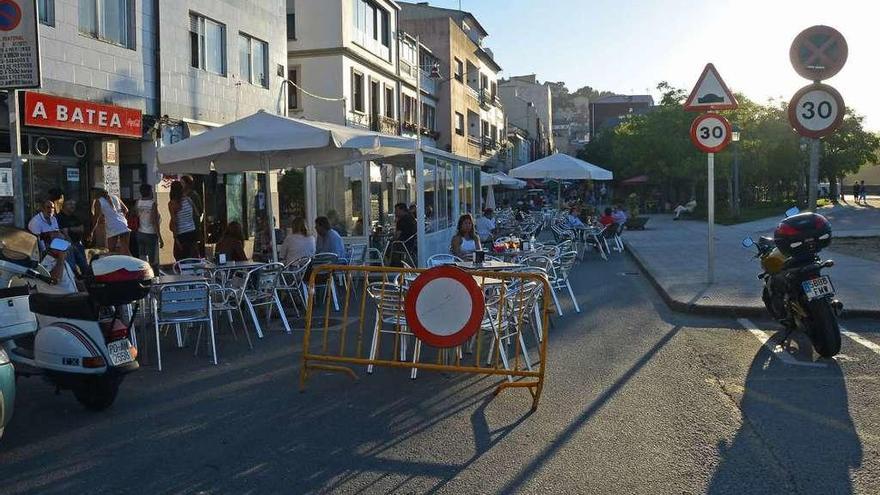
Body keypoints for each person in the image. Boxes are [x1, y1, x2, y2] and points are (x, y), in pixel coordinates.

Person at [90, 187, 131, 255]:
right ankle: (131, 263)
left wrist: (91, 232)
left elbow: (95, 218)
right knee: (125, 250)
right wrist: (118, 217)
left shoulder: (99, 201)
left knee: (111, 251)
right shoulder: (115, 197)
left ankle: (117, 264)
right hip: (123, 224)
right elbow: (126, 210)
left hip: (112, 226)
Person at [56, 200, 89, 278]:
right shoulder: (59, 217)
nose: (72, 206)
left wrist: (69, 229)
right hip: (66, 244)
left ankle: (87, 276)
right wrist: (73, 230)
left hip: (77, 243)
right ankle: (74, 275)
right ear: (63, 206)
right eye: (70, 204)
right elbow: (63, 232)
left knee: (84, 263)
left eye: (74, 204)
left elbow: (81, 229)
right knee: (72, 252)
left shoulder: (74, 217)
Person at [169, 180, 200, 260]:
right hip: (192, 231)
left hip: (181, 233)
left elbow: (174, 221)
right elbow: (197, 213)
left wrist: (175, 238)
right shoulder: (188, 200)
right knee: (193, 256)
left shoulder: (172, 204)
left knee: (181, 257)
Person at [135, 184, 163, 269]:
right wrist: (160, 237)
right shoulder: (152, 204)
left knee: (142, 257)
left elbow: (137, 215)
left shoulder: (138, 202)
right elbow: (154, 221)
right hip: (150, 233)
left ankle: (143, 274)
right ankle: (152, 276)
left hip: (140, 232)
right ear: (149, 192)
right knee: (152, 260)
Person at [181, 175, 204, 255]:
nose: (181, 185)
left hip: (192, 225)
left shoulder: (193, 195)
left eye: (182, 183)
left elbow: (199, 210)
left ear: (187, 184)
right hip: (183, 226)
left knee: (192, 247)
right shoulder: (180, 196)